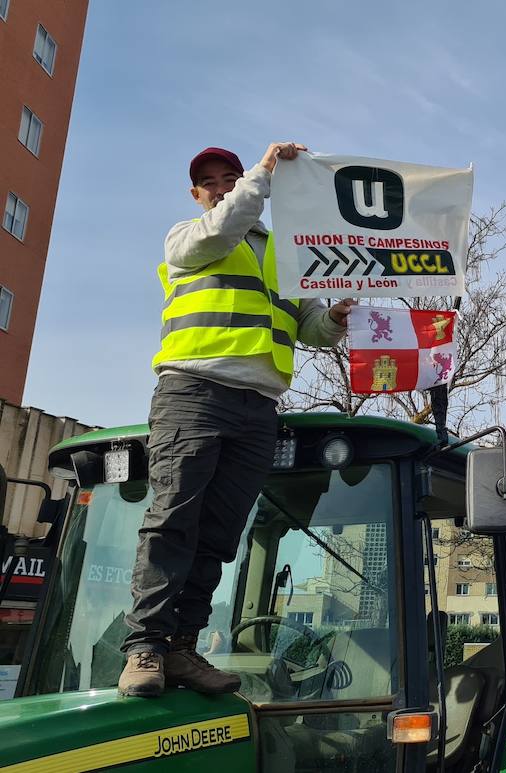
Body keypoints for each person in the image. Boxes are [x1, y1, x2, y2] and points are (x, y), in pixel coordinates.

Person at [118, 143, 352, 698]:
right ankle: (145, 647)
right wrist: (261, 175)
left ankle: (181, 648)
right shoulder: (188, 236)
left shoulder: (282, 253)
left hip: (257, 408)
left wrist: (333, 318)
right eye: (211, 181)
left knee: (219, 534)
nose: (222, 185)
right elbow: (223, 230)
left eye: (231, 177)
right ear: (195, 193)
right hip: (194, 392)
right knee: (174, 519)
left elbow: (306, 326)